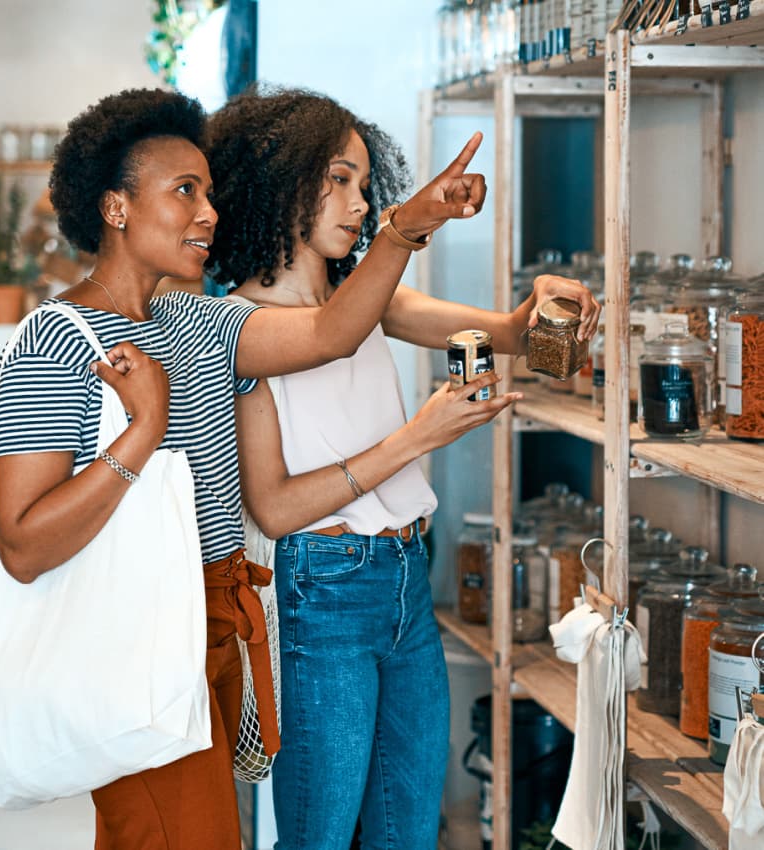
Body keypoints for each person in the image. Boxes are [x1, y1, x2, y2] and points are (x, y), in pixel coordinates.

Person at [0, 87, 491, 850]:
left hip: (221, 622)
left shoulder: (196, 319)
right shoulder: (54, 341)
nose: (209, 213)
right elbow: (22, 546)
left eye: (210, 193)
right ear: (116, 209)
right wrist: (142, 432)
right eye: (184, 192)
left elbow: (331, 331)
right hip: (136, 634)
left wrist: (405, 227)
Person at [204, 86, 600, 850]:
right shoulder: (238, 325)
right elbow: (278, 509)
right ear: (280, 183)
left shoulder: (366, 296)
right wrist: (416, 439)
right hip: (322, 587)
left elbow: (509, 333)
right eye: (338, 181)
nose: (358, 203)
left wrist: (544, 309)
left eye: (363, 182)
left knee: (407, 832)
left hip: (404, 580)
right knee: (317, 836)